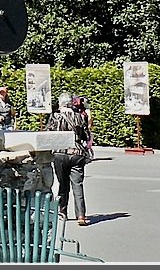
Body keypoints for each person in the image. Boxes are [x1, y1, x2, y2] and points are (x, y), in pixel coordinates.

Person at [47, 92, 91, 226]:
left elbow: (49, 133)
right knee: (78, 184)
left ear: (60, 104)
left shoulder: (55, 116)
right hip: (77, 153)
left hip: (60, 152)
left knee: (63, 183)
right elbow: (85, 135)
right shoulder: (79, 116)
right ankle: (81, 215)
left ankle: (62, 211)